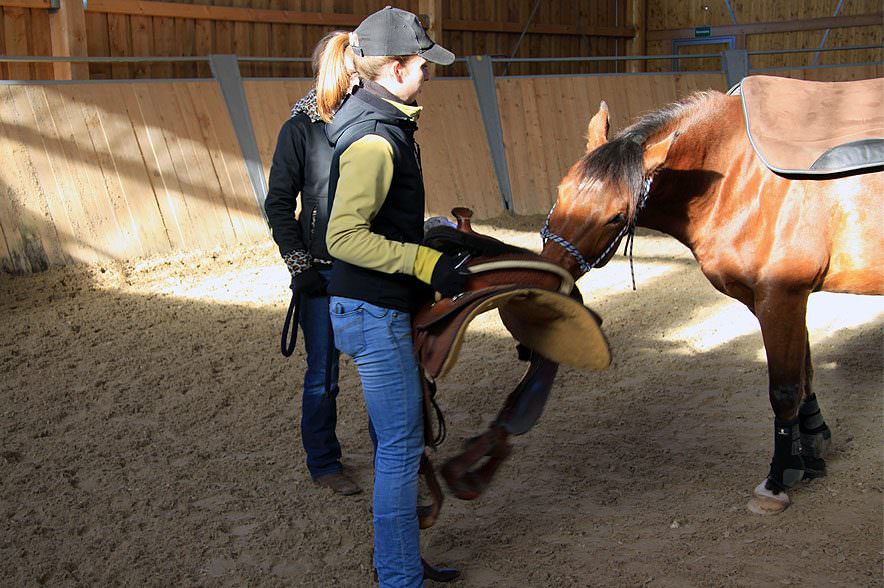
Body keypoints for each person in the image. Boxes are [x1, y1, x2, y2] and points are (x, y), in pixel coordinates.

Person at [318, 7, 465, 587]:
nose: (429, 73)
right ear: (397, 68)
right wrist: (425, 260)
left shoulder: (381, 122)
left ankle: (399, 562)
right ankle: (399, 578)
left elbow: (378, 217)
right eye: (423, 64)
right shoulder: (377, 140)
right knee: (400, 453)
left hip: (373, 305)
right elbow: (343, 235)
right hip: (373, 309)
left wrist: (423, 230)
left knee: (396, 445)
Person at [264, 31, 362, 496]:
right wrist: (300, 266)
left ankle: (398, 458)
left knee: (391, 367)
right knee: (322, 373)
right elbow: (279, 203)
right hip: (321, 272)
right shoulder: (299, 130)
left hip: (368, 268)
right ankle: (324, 463)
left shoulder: (370, 123)